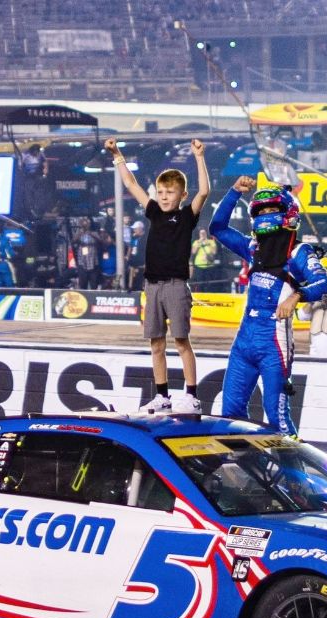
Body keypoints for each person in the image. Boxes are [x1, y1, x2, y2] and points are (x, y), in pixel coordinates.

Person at [210, 177, 327, 435]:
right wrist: (234, 191)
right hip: (244, 342)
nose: (266, 215)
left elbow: (326, 284)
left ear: (288, 213)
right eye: (262, 211)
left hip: (275, 344)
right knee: (230, 416)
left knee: (277, 418)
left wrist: (297, 296)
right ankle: (246, 469)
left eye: (272, 210)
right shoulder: (252, 247)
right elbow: (218, 227)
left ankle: (295, 474)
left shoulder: (299, 251)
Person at [106, 137, 210, 414]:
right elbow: (131, 184)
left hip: (176, 287)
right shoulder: (152, 211)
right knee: (156, 344)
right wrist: (117, 154)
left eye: (170, 192)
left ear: (181, 196)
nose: (164, 196)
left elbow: (204, 192)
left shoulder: (187, 216)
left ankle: (191, 395)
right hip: (151, 287)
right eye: (161, 192)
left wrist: (199, 157)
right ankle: (162, 395)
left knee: (181, 341)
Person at [72, 218, 101, 290]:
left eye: (86, 224)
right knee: (83, 284)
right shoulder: (79, 233)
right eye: (83, 224)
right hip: (82, 262)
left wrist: (91, 234)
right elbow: (73, 241)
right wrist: (80, 234)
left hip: (93, 262)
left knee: (94, 284)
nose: (85, 226)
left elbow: (100, 241)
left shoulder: (94, 233)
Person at [127, 220, 146, 291]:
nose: (134, 230)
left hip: (142, 260)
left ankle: (143, 288)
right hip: (134, 259)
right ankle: (130, 287)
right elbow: (131, 247)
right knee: (132, 273)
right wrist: (128, 256)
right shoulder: (134, 237)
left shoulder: (145, 238)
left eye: (135, 228)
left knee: (142, 275)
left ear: (140, 229)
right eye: (134, 229)